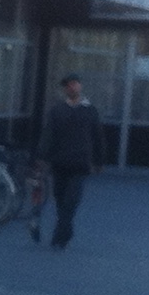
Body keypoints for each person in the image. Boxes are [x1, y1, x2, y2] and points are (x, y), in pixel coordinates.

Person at [35, 73, 104, 250]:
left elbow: (97, 136)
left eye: (74, 84)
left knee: (71, 200)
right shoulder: (57, 111)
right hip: (60, 162)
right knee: (59, 199)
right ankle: (65, 230)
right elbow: (48, 134)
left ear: (80, 86)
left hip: (80, 163)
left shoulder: (90, 110)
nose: (71, 88)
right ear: (65, 89)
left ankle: (60, 236)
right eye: (68, 85)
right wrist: (42, 156)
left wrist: (98, 160)